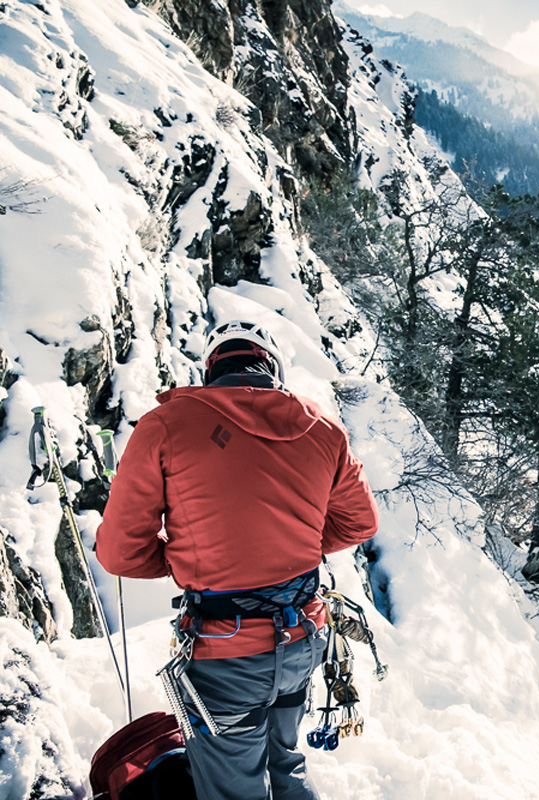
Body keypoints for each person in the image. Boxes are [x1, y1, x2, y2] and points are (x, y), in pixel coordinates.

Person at [97, 319, 379, 800]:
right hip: (302, 640)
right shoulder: (323, 430)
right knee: (284, 766)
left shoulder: (164, 426)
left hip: (225, 651)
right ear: (272, 367)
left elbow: (121, 552)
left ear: (211, 370)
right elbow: (359, 523)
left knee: (234, 790)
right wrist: (297, 543)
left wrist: (194, 558)